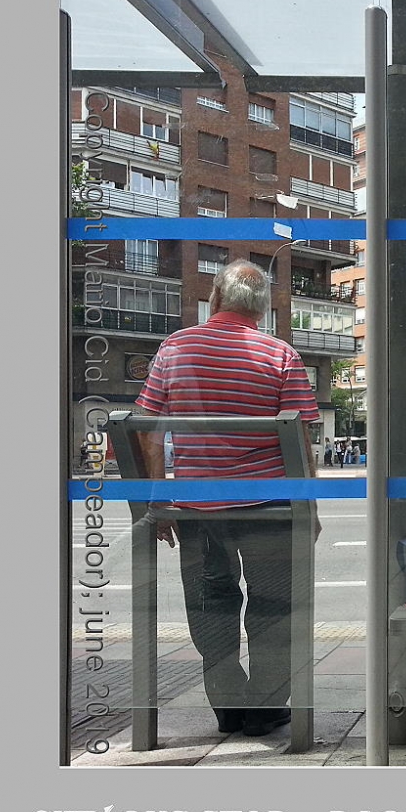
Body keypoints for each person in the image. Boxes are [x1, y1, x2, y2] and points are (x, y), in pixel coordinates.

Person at [134, 260, 321, 739]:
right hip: (269, 507)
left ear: (215, 296)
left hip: (198, 508)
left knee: (210, 603)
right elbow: (299, 439)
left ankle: (228, 704)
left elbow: (147, 430)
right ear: (262, 309)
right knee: (273, 606)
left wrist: (158, 498)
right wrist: (310, 507)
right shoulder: (281, 355)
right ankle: (264, 709)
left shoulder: (174, 349)